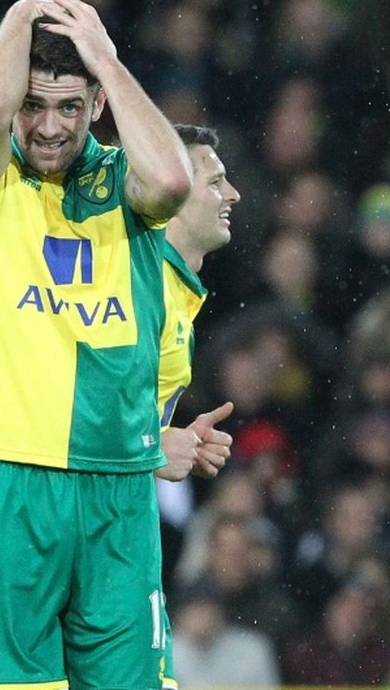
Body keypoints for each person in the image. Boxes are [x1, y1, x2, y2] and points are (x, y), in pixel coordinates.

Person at [0, 0, 192, 689]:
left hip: (120, 484)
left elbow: (172, 178)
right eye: (35, 106)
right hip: (15, 470)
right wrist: (21, 15)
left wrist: (105, 59)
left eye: (70, 107)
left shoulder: (122, 185)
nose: (49, 127)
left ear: (97, 106)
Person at [150, 123, 240, 688]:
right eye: (216, 182)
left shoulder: (177, 289)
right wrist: (151, 444)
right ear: (171, 192)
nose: (232, 195)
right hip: (84, 530)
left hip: (124, 530)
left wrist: (168, 434)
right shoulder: (135, 285)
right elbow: (61, 398)